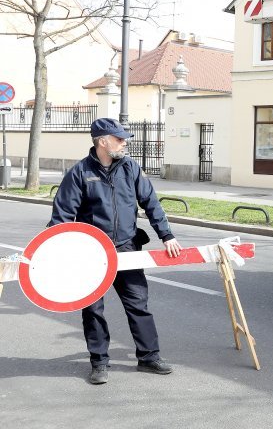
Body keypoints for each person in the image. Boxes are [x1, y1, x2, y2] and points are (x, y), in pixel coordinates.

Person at [48, 118, 182, 385]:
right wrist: (57, 250)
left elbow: (150, 202)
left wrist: (166, 235)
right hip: (91, 254)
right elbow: (62, 216)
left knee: (138, 304)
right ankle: (99, 362)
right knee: (93, 309)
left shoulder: (130, 167)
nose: (125, 143)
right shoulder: (80, 173)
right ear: (102, 141)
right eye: (119, 139)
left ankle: (149, 357)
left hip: (126, 247)